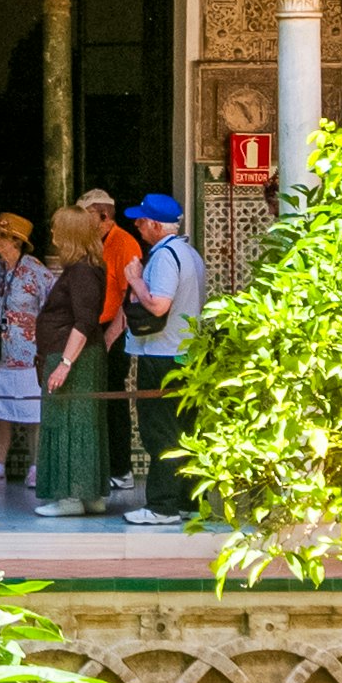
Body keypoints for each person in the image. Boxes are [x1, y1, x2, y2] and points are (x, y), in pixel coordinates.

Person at [108, 191, 204, 519]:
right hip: (186, 353)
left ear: (154, 224)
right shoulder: (189, 253)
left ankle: (162, 506)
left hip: (163, 356)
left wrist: (134, 279)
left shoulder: (164, 257)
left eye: (141, 220)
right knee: (184, 430)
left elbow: (159, 305)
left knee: (159, 430)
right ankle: (188, 503)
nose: (136, 225)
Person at [35, 192, 119, 514]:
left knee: (69, 422)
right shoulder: (86, 268)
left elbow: (83, 323)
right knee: (85, 423)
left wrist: (65, 364)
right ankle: (90, 496)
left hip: (73, 360)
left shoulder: (82, 271)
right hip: (79, 359)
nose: (53, 236)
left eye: (57, 230)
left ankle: (70, 497)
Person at [0, 213, 54, 507]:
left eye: (3, 236)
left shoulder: (35, 271)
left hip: (28, 352)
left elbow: (51, 302)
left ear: (17, 242)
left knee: (33, 411)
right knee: (1, 408)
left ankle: (36, 467)